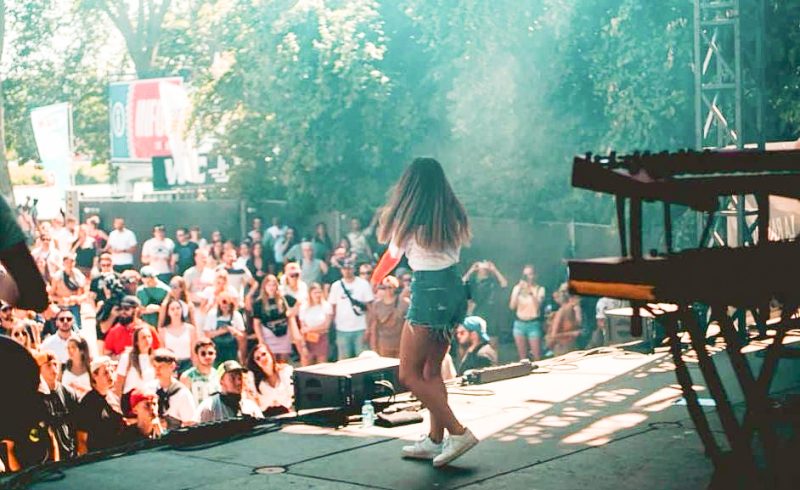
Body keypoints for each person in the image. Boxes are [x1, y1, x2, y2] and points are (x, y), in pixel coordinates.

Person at [370, 157, 478, 467]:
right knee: (432, 371)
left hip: (428, 292)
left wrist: (375, 279)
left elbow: (392, 257)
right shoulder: (452, 215)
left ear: (410, 187)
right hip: (454, 289)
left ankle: (457, 432)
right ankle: (434, 440)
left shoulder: (409, 219)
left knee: (409, 374)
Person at [35, 349, 80, 460]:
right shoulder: (36, 398)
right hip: (48, 458)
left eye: (55, 364)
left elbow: (77, 425)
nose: (54, 369)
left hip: (70, 454)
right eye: (48, 365)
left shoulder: (69, 393)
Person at [76, 356, 125, 454]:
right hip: (97, 457)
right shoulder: (87, 403)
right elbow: (81, 440)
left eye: (111, 371)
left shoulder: (114, 399)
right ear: (95, 375)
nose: (110, 375)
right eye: (106, 373)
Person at [253, 275, 306, 363]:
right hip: (268, 334)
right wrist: (260, 339)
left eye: (273, 285)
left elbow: (299, 302)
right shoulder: (258, 303)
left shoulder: (284, 298)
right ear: (264, 286)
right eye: (269, 285)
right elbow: (256, 323)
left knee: (283, 362)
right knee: (271, 361)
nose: (271, 287)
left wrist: (291, 312)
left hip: (284, 332)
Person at [328, 259, 374, 360]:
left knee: (363, 360)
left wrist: (369, 329)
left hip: (360, 328)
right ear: (341, 270)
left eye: (349, 268)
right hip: (342, 329)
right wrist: (333, 327)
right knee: (344, 361)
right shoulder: (336, 286)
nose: (347, 271)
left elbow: (370, 309)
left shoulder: (363, 284)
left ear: (354, 269)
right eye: (344, 268)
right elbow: (333, 308)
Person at [146, 349, 198, 429]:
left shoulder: (182, 393)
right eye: (155, 366)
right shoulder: (149, 389)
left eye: (161, 366)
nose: (157, 370)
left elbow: (190, 423)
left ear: (172, 366)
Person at [197, 360, 263, 423]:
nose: (238, 382)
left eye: (240, 377)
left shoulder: (251, 407)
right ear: (221, 381)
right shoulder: (209, 407)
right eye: (232, 377)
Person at [463, 260, 508, 351]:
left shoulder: (492, 281)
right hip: (477, 313)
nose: (484, 266)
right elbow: (462, 283)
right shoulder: (473, 281)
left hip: (491, 314)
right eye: (482, 263)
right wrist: (471, 270)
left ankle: (493, 363)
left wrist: (494, 270)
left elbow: (504, 284)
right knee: (474, 342)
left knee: (493, 341)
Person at [114, 325, 157, 414]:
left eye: (149, 337)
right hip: (131, 402)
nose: (147, 340)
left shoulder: (154, 359)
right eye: (143, 338)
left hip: (149, 401)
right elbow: (119, 384)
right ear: (137, 342)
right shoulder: (127, 358)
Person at [509, 264, 546, 361]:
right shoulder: (517, 288)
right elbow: (512, 306)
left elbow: (538, 307)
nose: (528, 277)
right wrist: (518, 291)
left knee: (537, 356)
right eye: (525, 275)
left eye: (530, 274)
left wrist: (529, 291)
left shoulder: (540, 289)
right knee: (523, 358)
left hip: (533, 324)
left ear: (535, 275)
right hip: (519, 324)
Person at [245, 344, 293, 416]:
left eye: (264, 354)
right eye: (258, 358)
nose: (262, 358)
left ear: (270, 354)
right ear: (256, 363)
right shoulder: (253, 379)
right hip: (266, 418)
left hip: (288, 414)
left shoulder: (285, 371)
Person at [367, 276, 408, 358]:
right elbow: (374, 327)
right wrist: (374, 347)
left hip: (400, 345)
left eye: (390, 287)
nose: (387, 290)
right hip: (383, 345)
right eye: (384, 288)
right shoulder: (377, 305)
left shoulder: (404, 303)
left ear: (395, 288)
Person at [203, 292, 246, 364]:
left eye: (227, 305)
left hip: (232, 351)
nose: (225, 308)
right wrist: (222, 331)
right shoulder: (212, 314)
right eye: (223, 305)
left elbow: (242, 337)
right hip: (216, 351)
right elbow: (207, 334)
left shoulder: (236, 315)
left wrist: (233, 331)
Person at [159, 298, 198, 374]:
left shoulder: (191, 329)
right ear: (168, 312)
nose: (175, 311)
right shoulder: (162, 331)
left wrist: (196, 368)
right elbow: (163, 352)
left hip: (187, 364)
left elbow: (194, 352)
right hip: (171, 365)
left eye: (178, 308)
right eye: (172, 309)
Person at [298, 283, 333, 364]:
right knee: (307, 366)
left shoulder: (326, 306)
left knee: (322, 366)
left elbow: (326, 326)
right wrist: (303, 346)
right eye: (315, 293)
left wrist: (309, 329)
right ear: (310, 294)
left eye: (319, 292)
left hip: (321, 338)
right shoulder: (304, 307)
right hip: (308, 339)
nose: (317, 295)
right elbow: (302, 328)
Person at [49, 254, 87, 328]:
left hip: (74, 307)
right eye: (67, 262)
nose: (69, 264)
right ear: (63, 263)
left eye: (71, 261)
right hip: (61, 307)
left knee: (76, 330)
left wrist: (77, 298)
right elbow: (51, 295)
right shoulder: (57, 277)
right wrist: (61, 299)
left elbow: (85, 294)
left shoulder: (80, 276)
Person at [180, 338, 221, 405]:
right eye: (203, 353)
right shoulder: (187, 377)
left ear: (215, 355)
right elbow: (183, 402)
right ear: (197, 356)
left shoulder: (218, 375)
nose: (207, 356)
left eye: (210, 353)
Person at [547, 285, 583, 356]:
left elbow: (579, 323)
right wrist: (572, 333)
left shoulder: (574, 310)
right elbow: (553, 335)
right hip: (562, 348)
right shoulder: (562, 311)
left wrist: (577, 310)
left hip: (573, 346)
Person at [62, 335, 93, 399]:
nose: (70, 351)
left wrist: (78, 387)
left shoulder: (91, 368)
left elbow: (96, 391)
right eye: (68, 348)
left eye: (73, 347)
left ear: (82, 350)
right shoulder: (62, 367)